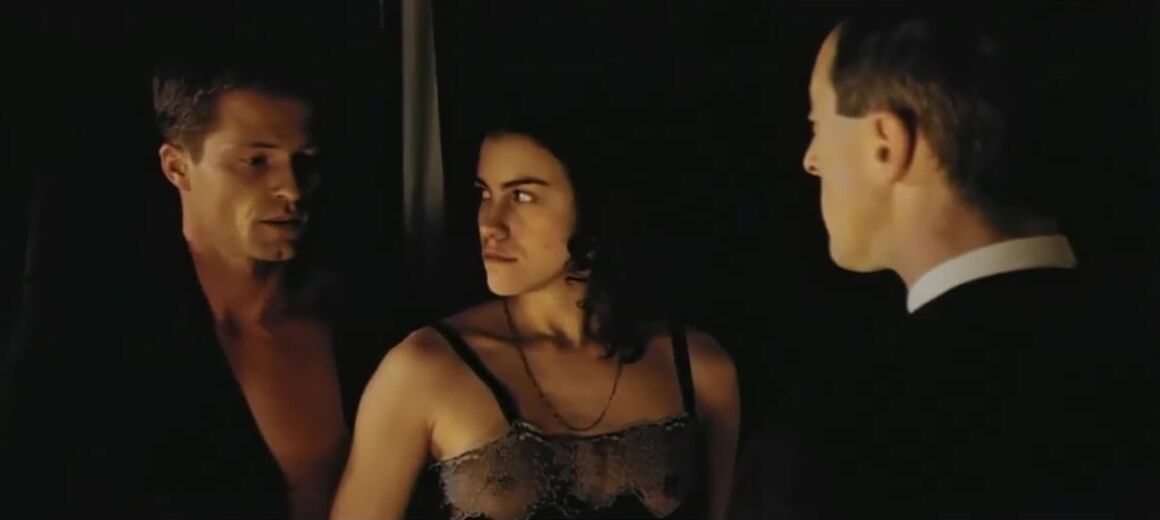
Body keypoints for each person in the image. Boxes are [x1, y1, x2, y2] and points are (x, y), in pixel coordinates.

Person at [730, 9, 1158, 519]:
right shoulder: (1134, 357)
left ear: (885, 143)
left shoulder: (829, 444)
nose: (811, 159)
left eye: (818, 124)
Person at [0, 45, 393, 520]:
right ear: (177, 166)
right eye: (256, 161)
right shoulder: (94, 344)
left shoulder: (361, 326)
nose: (291, 189)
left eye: (304, 160)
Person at [330, 98, 741, 520]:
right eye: (484, 194)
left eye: (522, 196)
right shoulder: (424, 369)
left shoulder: (700, 369)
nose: (490, 224)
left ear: (594, 204)